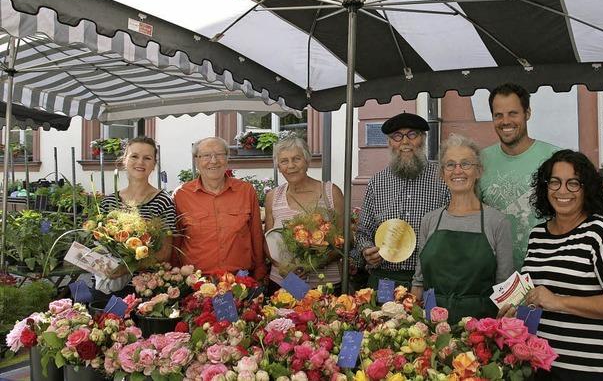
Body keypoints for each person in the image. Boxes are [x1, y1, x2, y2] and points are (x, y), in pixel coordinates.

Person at [501, 149, 603, 380]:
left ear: (586, 189)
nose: (562, 191)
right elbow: (535, 297)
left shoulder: (599, 232)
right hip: (537, 364)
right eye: (554, 182)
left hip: (586, 368)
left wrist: (558, 301)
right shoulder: (538, 235)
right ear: (545, 188)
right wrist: (512, 310)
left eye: (573, 183)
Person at [411, 134, 513, 322]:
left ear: (479, 171)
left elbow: (505, 289)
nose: (458, 171)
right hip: (432, 330)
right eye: (450, 165)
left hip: (481, 330)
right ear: (442, 174)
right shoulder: (429, 221)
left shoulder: (497, 222)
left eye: (465, 164)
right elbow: (418, 283)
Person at [355, 112, 449, 289]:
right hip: (385, 277)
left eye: (412, 134)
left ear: (423, 139)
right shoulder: (377, 182)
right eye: (397, 136)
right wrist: (366, 250)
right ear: (390, 142)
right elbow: (363, 231)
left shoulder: (442, 178)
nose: (405, 142)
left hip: (430, 279)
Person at [479, 83, 559, 270]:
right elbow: (472, 214)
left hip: (546, 271)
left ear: (527, 113)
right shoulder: (480, 161)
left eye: (513, 113)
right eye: (498, 115)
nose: (505, 121)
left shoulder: (555, 158)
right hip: (497, 276)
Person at [173, 137, 267, 280]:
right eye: (206, 155)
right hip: (196, 284)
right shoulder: (181, 195)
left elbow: (256, 235)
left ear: (227, 158)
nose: (214, 161)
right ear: (196, 160)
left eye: (219, 154)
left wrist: (260, 271)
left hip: (240, 282)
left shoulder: (246, 191)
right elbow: (176, 243)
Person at [264, 135, 345, 292]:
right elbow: (268, 240)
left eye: (296, 159)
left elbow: (347, 239)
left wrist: (312, 265)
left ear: (307, 161)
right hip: (283, 283)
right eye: (284, 161)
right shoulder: (273, 197)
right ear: (278, 167)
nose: (291, 165)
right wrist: (283, 267)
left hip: (325, 283)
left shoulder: (330, 192)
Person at [97, 136, 176, 292]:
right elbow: (100, 244)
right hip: (108, 285)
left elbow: (165, 253)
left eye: (147, 158)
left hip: (147, 287)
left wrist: (124, 268)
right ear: (124, 160)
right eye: (134, 156)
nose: (140, 162)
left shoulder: (163, 201)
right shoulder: (109, 202)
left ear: (154, 165)